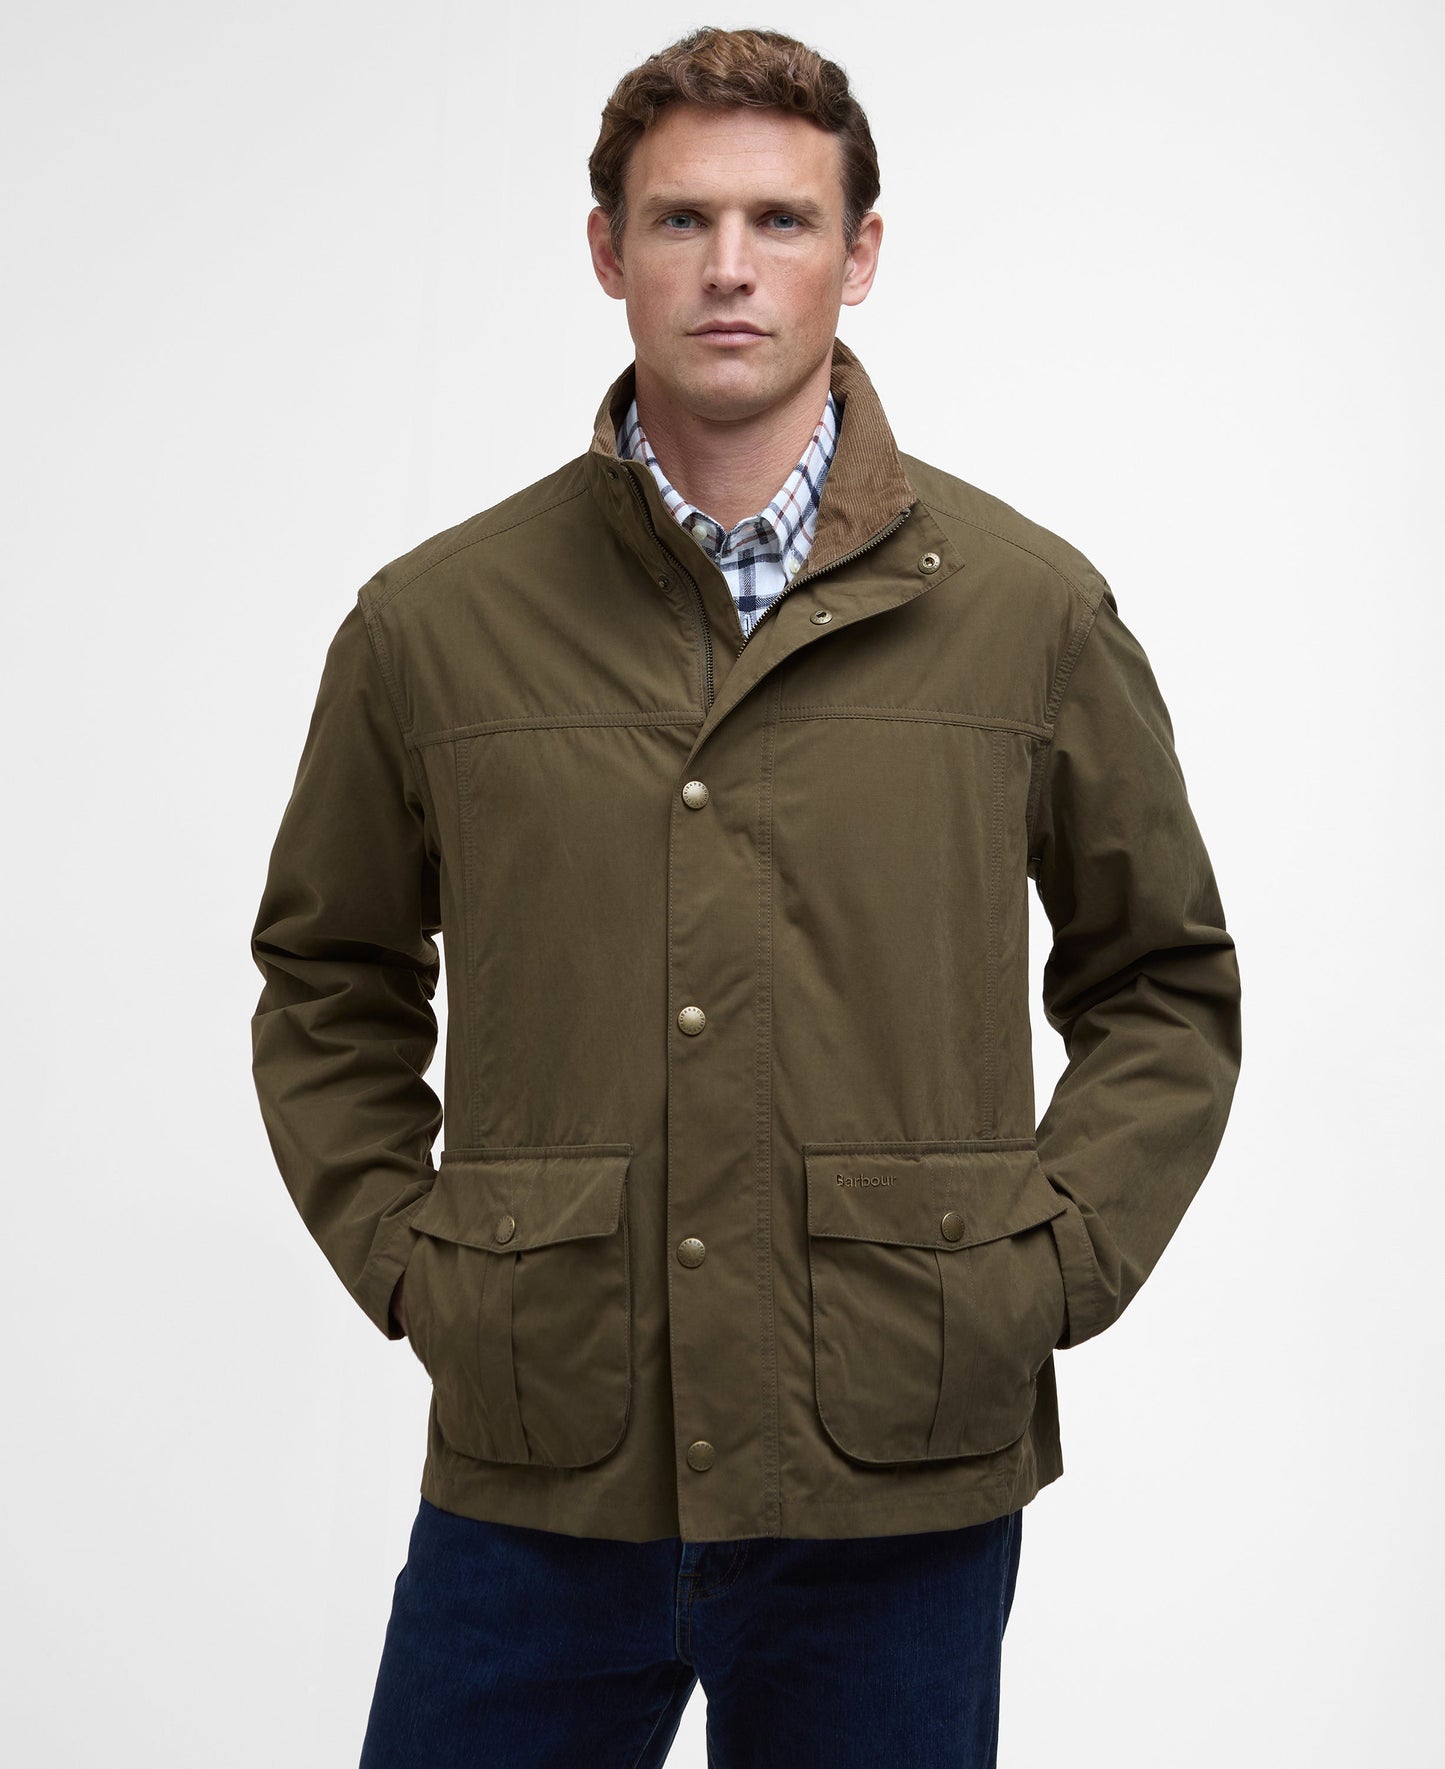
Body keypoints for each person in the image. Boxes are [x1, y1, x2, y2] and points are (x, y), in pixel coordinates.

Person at [248, 25, 1243, 1768]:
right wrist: (416, 1264)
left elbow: (1160, 978)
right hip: (546, 1448)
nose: (728, 266)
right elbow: (328, 974)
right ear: (605, 250)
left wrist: (1044, 1264)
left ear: (858, 255)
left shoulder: (1025, 611)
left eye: (780, 220)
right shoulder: (435, 623)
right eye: (680, 218)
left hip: (895, 1459)